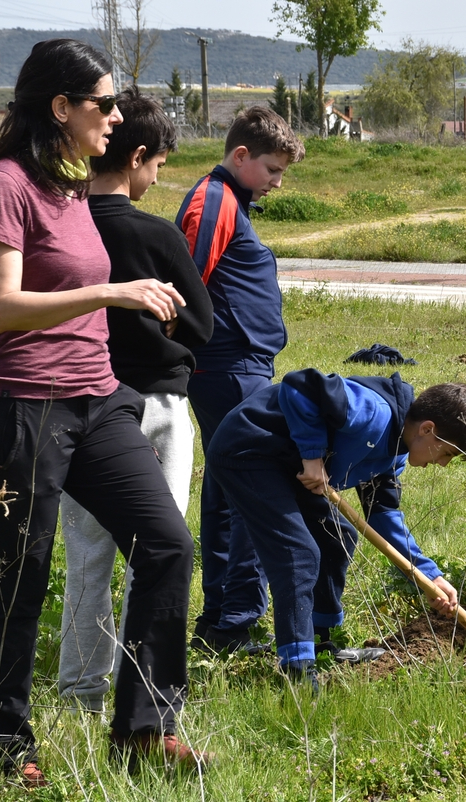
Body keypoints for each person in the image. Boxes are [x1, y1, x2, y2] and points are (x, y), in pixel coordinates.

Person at [0, 39, 210, 785]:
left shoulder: (71, 188)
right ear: (60, 108)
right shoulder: (5, 185)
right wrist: (113, 293)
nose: (115, 115)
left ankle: (144, 728)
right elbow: (1, 308)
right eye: (103, 103)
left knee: (167, 544)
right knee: (18, 577)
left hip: (96, 400)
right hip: (16, 408)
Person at [57, 88, 214, 713]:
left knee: (88, 554)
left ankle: (78, 692)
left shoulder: (65, 225)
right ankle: (146, 692)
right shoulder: (155, 233)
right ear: (138, 156)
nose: (158, 178)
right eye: (158, 166)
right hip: (157, 406)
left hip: (80, 405)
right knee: (160, 552)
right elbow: (201, 324)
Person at [204, 369, 466, 688]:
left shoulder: (395, 453)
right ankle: (298, 670)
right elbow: (300, 386)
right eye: (447, 453)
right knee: (300, 554)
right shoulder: (371, 413)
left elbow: (383, 515)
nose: (443, 464)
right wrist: (311, 457)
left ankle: (323, 642)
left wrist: (429, 574)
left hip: (287, 468)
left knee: (337, 537)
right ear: (428, 428)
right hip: (248, 450)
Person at [176, 106, 305, 653]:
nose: (278, 183)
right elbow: (184, 287)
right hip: (227, 369)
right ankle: (233, 622)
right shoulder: (213, 203)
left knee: (230, 492)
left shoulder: (233, 200)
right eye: (273, 170)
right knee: (249, 491)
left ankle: (224, 620)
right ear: (241, 156)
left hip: (241, 367)